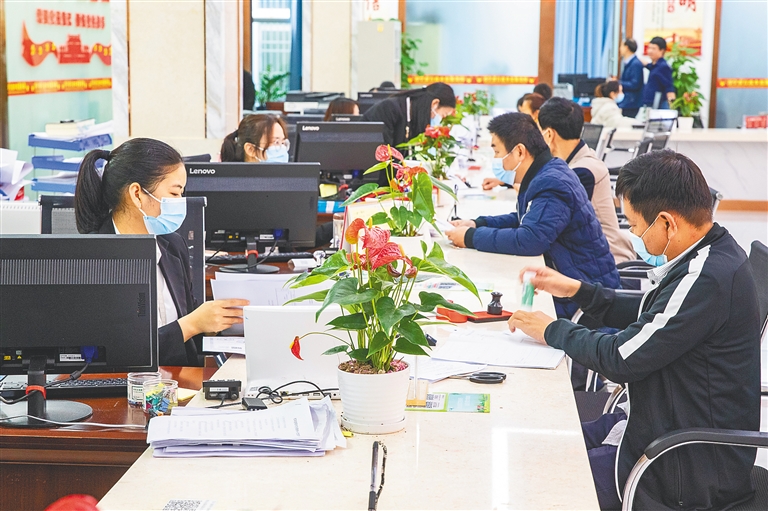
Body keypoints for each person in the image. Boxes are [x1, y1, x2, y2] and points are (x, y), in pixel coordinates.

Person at [509, 149, 761, 510]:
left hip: (683, 462)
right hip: (655, 420)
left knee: (543, 482)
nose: (634, 235)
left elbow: (621, 358)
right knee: (541, 442)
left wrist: (552, 330)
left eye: (635, 225)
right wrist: (578, 290)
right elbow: (655, 313)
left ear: (667, 223)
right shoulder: (706, 253)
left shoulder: (707, 277)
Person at [74, 138, 249, 366]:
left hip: (178, 381)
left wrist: (214, 323)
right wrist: (192, 325)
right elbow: (118, 352)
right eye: (175, 193)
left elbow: (190, 335)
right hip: (122, 384)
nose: (181, 202)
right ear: (137, 194)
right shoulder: (91, 259)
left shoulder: (173, 245)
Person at [446, 112, 620, 320]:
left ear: (520, 151)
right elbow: (526, 219)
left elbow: (530, 239)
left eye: (497, 151)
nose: (496, 160)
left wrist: (470, 237)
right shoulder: (545, 173)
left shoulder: (551, 182)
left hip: (584, 301)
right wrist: (477, 223)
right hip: (572, 281)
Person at [538, 97, 635, 264]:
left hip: (605, 261)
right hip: (588, 257)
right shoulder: (577, 162)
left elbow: (551, 222)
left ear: (549, 134)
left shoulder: (582, 171)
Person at [362, 82, 456, 148]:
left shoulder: (413, 116)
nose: (438, 119)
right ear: (435, 104)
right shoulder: (390, 109)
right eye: (443, 115)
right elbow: (385, 153)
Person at [220, 114, 289, 163]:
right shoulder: (235, 180)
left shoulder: (284, 178)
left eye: (283, 143)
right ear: (250, 149)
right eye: (276, 142)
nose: (282, 148)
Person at [643, 36, 675, 109]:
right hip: (650, 103)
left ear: (662, 51)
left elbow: (669, 86)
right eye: (649, 48)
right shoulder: (654, 65)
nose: (650, 51)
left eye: (653, 48)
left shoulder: (663, 67)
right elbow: (649, 65)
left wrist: (672, 105)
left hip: (658, 104)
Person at [616, 38, 644, 118]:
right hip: (627, 101)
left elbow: (635, 84)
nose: (620, 49)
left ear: (626, 47)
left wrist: (618, 83)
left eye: (621, 46)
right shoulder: (628, 62)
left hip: (632, 102)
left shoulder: (635, 64)